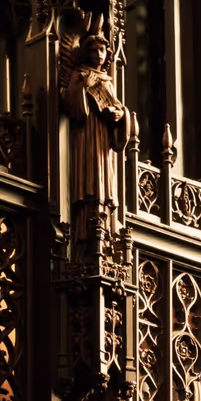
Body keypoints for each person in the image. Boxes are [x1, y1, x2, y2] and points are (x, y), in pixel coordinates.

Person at [60, 20, 130, 245]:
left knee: (103, 178)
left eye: (102, 51)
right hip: (86, 134)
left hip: (102, 137)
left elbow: (118, 106)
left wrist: (120, 115)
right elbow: (72, 106)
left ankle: (103, 223)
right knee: (89, 176)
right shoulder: (80, 74)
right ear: (86, 53)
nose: (99, 55)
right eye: (95, 50)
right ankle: (84, 226)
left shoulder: (108, 80)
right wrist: (82, 86)